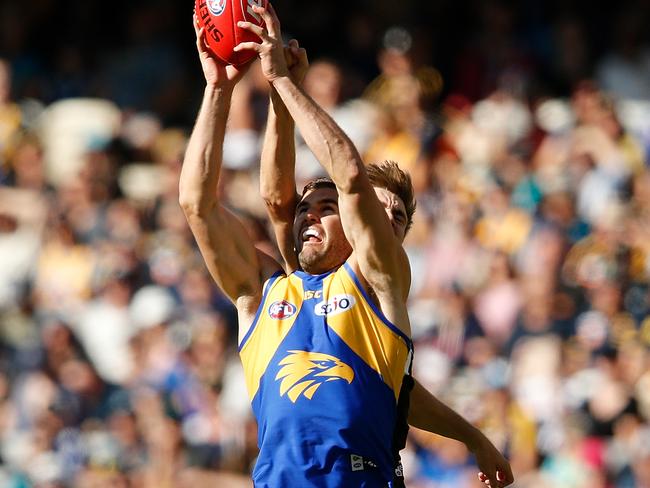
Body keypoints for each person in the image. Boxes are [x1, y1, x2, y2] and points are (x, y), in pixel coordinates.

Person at [181, 8, 513, 488]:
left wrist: (284, 84)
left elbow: (350, 178)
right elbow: (200, 203)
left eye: (327, 207)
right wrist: (219, 89)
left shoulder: (379, 282)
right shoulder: (266, 289)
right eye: (307, 209)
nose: (311, 216)